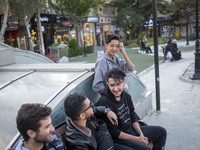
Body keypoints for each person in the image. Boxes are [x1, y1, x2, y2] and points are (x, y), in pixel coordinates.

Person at [97, 68, 167, 150]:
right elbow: (114, 133)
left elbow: (132, 115)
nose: (115, 89)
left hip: (131, 130)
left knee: (161, 132)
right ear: (108, 84)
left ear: (124, 83)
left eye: (118, 84)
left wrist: (141, 135)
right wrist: (137, 140)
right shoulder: (104, 102)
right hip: (119, 138)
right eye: (112, 85)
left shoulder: (126, 95)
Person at [64, 93, 132, 150]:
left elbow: (93, 110)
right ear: (82, 116)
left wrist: (106, 111)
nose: (93, 105)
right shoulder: (78, 143)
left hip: (110, 143)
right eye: (90, 105)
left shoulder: (76, 115)